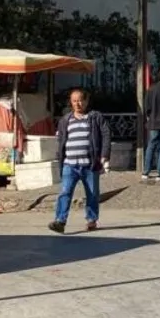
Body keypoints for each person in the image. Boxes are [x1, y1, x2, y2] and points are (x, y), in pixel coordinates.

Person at [49, 88, 111, 233]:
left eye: (80, 100)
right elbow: (61, 139)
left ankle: (91, 220)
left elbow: (106, 134)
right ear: (71, 102)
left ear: (86, 101)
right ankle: (60, 221)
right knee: (65, 192)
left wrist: (104, 155)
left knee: (93, 193)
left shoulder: (95, 117)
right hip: (69, 164)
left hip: (89, 164)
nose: (78, 104)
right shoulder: (65, 120)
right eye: (74, 101)